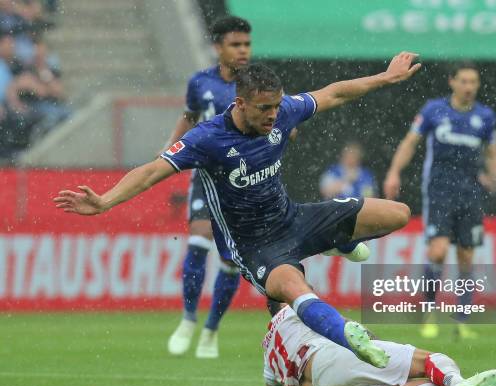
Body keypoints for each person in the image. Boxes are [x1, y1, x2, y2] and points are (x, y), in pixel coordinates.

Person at [53, 52, 422, 369]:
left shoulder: (282, 113)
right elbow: (152, 170)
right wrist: (104, 201)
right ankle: (353, 337)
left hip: (294, 219)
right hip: (255, 248)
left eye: (277, 106)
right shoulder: (208, 138)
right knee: (298, 293)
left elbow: (334, 93)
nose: (274, 116)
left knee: (398, 214)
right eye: (265, 109)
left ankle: (333, 242)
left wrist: (387, 77)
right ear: (240, 103)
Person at [384, 61, 496, 340]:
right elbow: (409, 143)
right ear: (452, 82)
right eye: (464, 81)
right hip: (439, 191)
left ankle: (462, 320)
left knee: (466, 255)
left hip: (470, 193)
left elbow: (492, 156)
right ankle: (429, 313)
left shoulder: (485, 117)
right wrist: (394, 172)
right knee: (438, 252)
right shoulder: (434, 110)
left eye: (473, 82)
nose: (469, 87)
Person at [164, 16, 252, 359]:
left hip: (244, 181)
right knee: (199, 239)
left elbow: (282, 121)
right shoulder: (200, 83)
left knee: (230, 261)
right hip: (206, 175)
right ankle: (187, 319)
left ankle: (211, 330)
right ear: (218, 47)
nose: (243, 51)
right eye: (235, 44)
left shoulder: (257, 84)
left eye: (246, 44)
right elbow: (189, 117)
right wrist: (169, 154)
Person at [263, 305, 496, 386]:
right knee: (431, 360)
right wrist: (374, 343)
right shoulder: (298, 307)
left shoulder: (268, 345)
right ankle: (456, 381)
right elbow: (344, 327)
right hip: (330, 358)